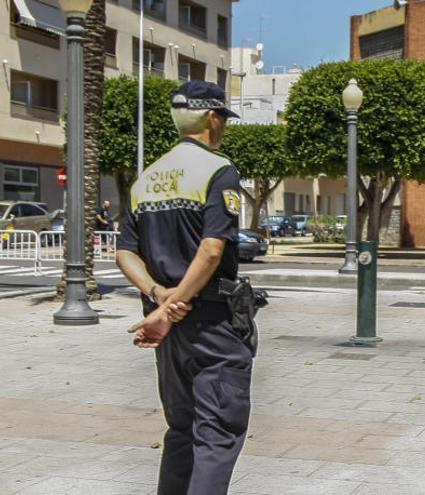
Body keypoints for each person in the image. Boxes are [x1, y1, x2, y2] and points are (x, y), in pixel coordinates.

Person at [116, 81, 253, 494]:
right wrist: (177, 303)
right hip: (212, 324)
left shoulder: (147, 178)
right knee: (217, 432)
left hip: (170, 331)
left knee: (181, 429)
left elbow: (124, 253)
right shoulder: (218, 170)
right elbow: (212, 250)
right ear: (213, 118)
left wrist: (160, 299)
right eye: (223, 119)